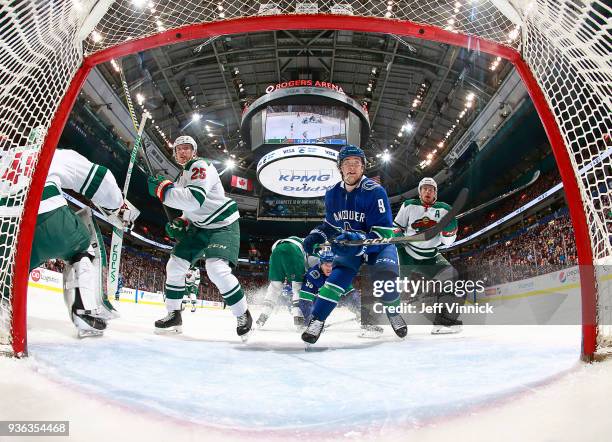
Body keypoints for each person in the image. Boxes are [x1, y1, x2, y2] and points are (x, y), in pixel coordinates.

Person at [301, 145, 407, 344]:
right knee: (334, 282)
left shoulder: (375, 192)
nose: (352, 167)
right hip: (350, 245)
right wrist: (317, 234)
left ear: (363, 167)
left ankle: (393, 313)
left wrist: (358, 241)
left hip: (378, 245)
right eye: (347, 163)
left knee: (386, 278)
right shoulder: (332, 193)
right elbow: (331, 225)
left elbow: (384, 232)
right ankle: (317, 320)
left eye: (356, 164)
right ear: (340, 167)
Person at [147, 135, 252, 338]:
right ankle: (174, 314)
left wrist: (163, 191)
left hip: (222, 224)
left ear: (194, 152)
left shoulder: (199, 166)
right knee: (175, 265)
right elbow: (190, 210)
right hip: (200, 226)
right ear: (175, 153)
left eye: (187, 148)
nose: (183, 152)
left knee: (216, 269)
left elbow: (195, 200)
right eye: (179, 149)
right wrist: (182, 221)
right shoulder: (181, 178)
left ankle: (243, 314)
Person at [30, 148, 129, 337]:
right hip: (47, 216)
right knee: (83, 243)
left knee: (7, 280)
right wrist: (118, 205)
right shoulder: (52, 153)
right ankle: (84, 311)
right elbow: (101, 179)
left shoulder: (7, 154)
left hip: (7, 230)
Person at [394, 177, 463, 334]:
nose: (427, 191)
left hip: (430, 256)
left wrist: (450, 229)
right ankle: (376, 314)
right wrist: (397, 237)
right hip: (407, 253)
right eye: (424, 188)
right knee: (395, 286)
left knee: (451, 276)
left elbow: (447, 242)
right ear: (420, 192)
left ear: (435, 193)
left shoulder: (445, 209)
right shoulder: (409, 205)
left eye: (431, 189)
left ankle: (443, 322)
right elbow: (397, 227)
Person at [298, 249, 383, 338]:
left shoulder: (339, 272)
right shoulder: (312, 275)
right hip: (319, 300)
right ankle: (315, 323)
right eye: (327, 265)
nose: (330, 268)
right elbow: (305, 300)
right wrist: (309, 320)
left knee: (354, 299)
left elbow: (351, 293)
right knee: (313, 310)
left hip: (336, 297)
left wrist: (361, 311)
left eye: (332, 265)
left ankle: (367, 323)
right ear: (320, 264)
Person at [255, 236, 310, 329]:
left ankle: (263, 316)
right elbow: (310, 266)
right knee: (298, 288)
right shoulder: (309, 245)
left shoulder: (292, 241)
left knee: (274, 288)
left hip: (276, 251)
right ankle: (299, 320)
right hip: (293, 250)